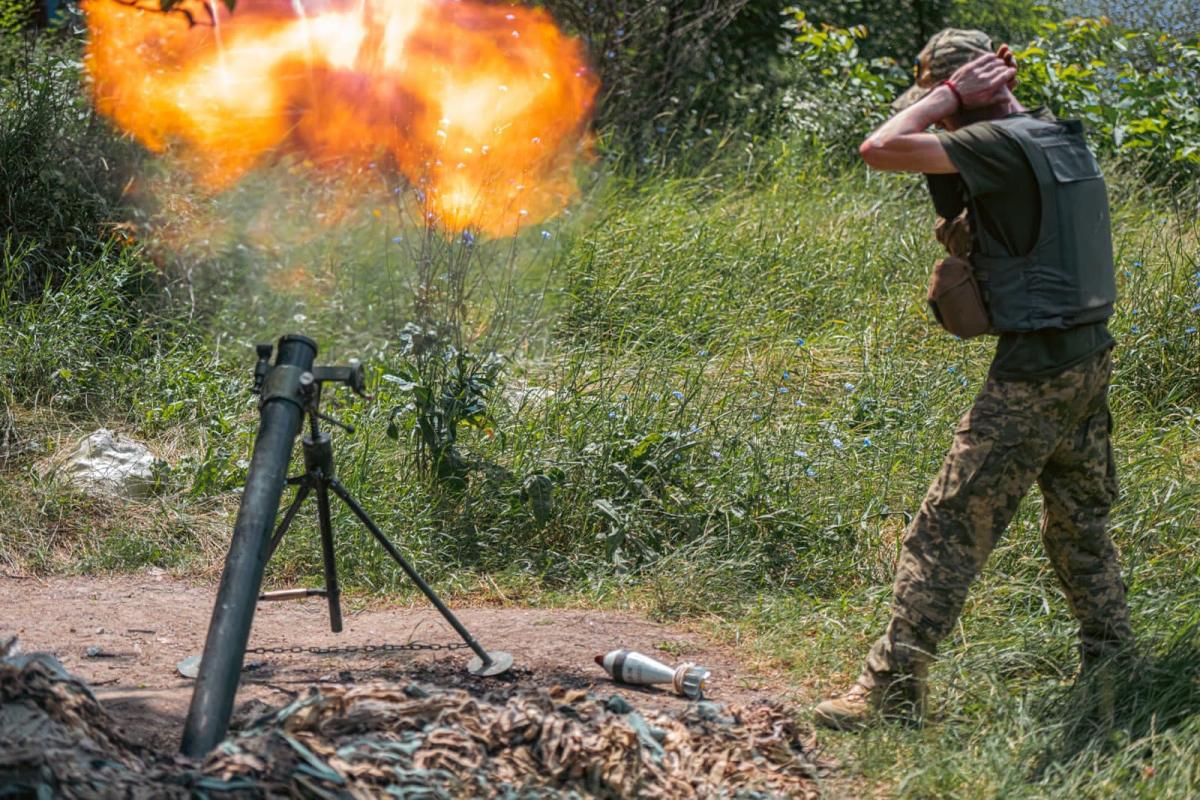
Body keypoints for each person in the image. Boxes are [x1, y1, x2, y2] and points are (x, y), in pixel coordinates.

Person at [813, 29, 1135, 730]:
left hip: (1037, 371)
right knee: (1079, 524)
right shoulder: (1057, 137)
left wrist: (946, 98)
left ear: (967, 96)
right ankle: (1116, 663)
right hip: (1088, 357)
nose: (938, 115)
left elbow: (877, 149)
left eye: (943, 102)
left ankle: (891, 692)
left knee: (946, 526)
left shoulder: (994, 143)